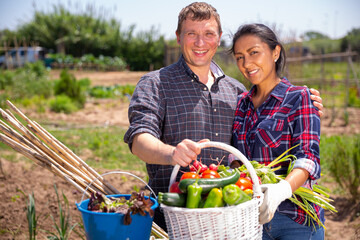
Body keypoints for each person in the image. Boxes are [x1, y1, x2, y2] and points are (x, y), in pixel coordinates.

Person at [124, 2, 323, 231]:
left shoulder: (237, 91)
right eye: (191, 34)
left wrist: (305, 102)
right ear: (178, 37)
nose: (200, 43)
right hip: (173, 217)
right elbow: (139, 140)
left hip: (232, 220)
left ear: (218, 39)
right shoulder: (155, 83)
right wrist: (172, 154)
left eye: (208, 34)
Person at [229, 23, 324, 239]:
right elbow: (236, 155)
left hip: (295, 219)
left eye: (254, 53)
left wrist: (281, 190)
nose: (246, 63)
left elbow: (308, 158)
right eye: (239, 57)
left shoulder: (299, 98)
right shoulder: (240, 105)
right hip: (251, 220)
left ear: (275, 52)